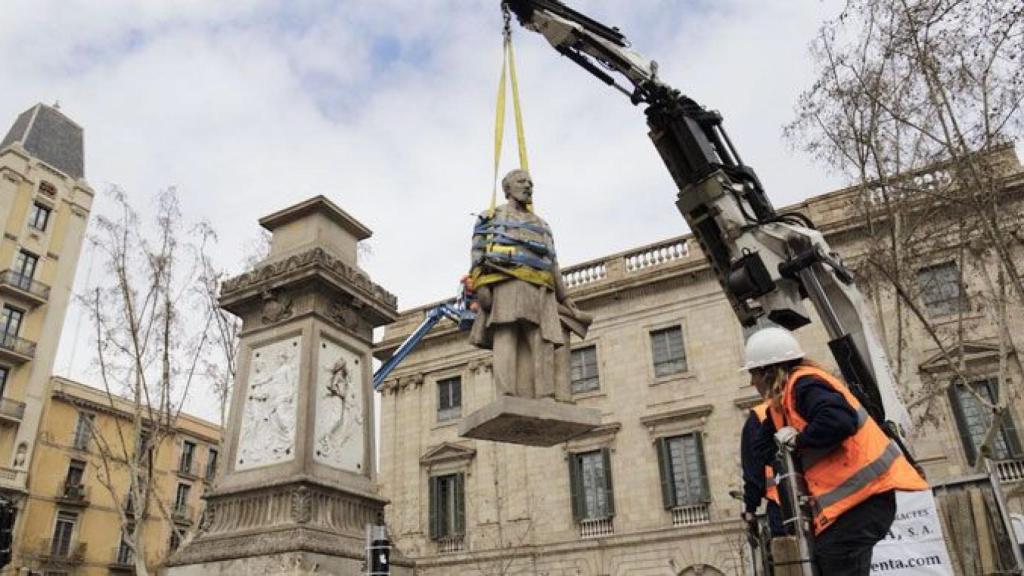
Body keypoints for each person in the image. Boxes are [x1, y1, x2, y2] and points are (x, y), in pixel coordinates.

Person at [741, 326, 927, 576]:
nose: (752, 382)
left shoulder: (804, 385)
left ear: (770, 371)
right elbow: (761, 451)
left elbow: (838, 421)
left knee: (834, 559)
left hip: (864, 499)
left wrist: (798, 441)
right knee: (827, 561)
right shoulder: (781, 404)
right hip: (852, 506)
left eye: (754, 374)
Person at [468, 169, 584, 399]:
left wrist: (565, 297)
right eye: (522, 182)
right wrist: (481, 286)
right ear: (508, 188)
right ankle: (507, 391)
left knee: (543, 339)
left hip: (540, 288)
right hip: (506, 284)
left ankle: (546, 393)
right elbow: (477, 253)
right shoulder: (490, 216)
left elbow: (552, 262)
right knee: (506, 334)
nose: (528, 186)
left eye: (531, 183)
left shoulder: (541, 224)